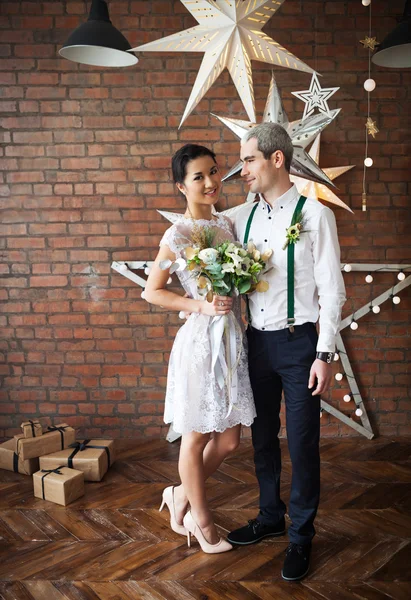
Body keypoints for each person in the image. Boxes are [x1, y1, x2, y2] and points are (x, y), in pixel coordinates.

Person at [226, 123, 346, 581]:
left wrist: (324, 354)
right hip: (255, 342)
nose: (243, 170)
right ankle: (269, 517)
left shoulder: (316, 216)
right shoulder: (240, 218)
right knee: (261, 439)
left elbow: (333, 293)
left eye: (249, 160)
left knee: (302, 442)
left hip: (300, 345)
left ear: (277, 159)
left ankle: (301, 537)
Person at [144, 144, 256, 554]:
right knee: (194, 438)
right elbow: (151, 292)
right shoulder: (177, 234)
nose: (210, 182)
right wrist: (199, 305)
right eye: (198, 177)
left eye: (213, 172)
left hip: (232, 342)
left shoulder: (227, 224)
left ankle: (179, 494)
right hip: (200, 343)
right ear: (181, 186)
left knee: (228, 441)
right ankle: (202, 521)